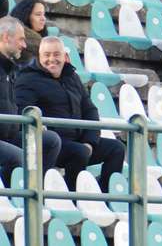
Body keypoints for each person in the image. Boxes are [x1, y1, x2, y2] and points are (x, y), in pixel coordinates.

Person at [15, 36, 124, 192]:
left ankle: (105, 196)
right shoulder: (27, 79)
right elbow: (22, 111)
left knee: (116, 148)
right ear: (39, 57)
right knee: (79, 152)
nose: (51, 59)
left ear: (65, 56)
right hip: (51, 144)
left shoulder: (72, 76)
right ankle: (73, 197)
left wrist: (90, 142)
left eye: (56, 54)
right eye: (46, 55)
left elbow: (90, 110)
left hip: (78, 140)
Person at [0, 18, 61, 187]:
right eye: (20, 39)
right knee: (20, 157)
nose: (24, 45)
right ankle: (12, 195)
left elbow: (9, 107)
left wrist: (29, 125)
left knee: (50, 141)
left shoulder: (9, 69)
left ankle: (35, 192)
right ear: (6, 38)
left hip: (9, 134)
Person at [10, 0, 48, 65]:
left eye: (43, 14)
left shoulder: (43, 41)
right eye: (38, 14)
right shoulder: (17, 44)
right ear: (25, 15)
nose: (43, 18)